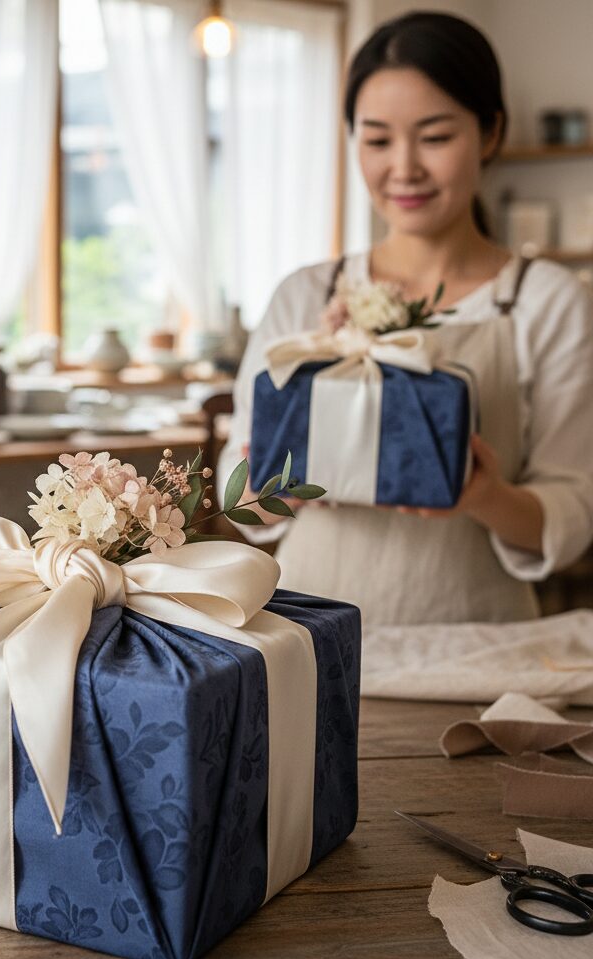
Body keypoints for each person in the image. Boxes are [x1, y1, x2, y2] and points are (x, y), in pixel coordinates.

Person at [220, 10, 593, 626]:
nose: (404, 168)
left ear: (491, 132)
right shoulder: (306, 293)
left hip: (473, 641)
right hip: (305, 635)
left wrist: (486, 496)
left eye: (436, 136)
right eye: (377, 139)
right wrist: (270, 482)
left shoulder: (546, 300)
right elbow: (243, 502)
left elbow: (574, 511)